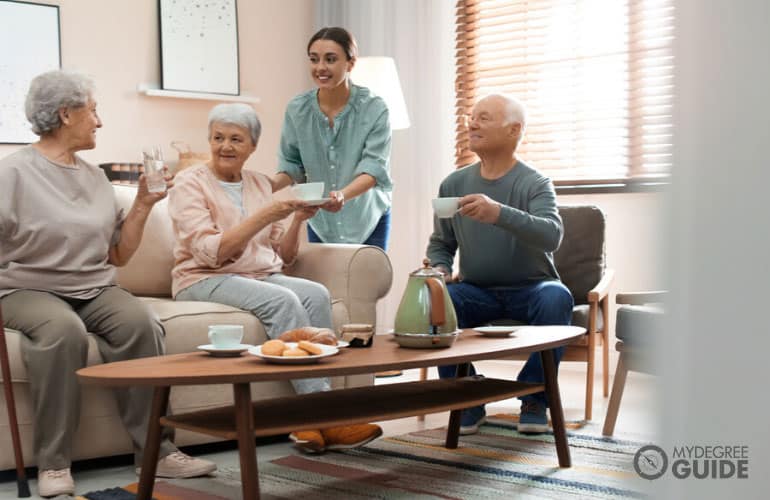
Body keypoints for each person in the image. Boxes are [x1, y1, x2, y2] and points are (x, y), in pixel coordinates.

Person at [0, 70, 216, 498]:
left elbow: (118, 255)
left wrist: (142, 204)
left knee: (142, 323)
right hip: (26, 289)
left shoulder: (94, 177)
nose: (99, 121)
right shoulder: (14, 174)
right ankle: (55, 463)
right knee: (63, 332)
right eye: (93, 110)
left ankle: (156, 452)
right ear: (66, 114)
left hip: (93, 286)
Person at [168, 102, 383, 453]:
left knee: (314, 293)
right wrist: (268, 213)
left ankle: (315, 422)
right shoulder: (189, 183)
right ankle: (321, 417)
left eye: (236, 139)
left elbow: (282, 257)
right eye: (218, 137)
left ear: (253, 146)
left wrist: (298, 218)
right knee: (282, 300)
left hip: (257, 274)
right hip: (202, 278)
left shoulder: (258, 184)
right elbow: (211, 253)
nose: (226, 146)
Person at [426, 94, 574, 435]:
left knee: (558, 297)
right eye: (472, 117)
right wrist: (440, 267)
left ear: (514, 130)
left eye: (484, 118)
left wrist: (500, 214)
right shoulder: (454, 184)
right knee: (435, 299)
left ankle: (535, 397)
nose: (472, 124)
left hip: (531, 288)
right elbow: (441, 243)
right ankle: (467, 398)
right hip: (477, 289)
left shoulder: (535, 182)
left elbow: (552, 235)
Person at [271, 27, 393, 250]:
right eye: (314, 59)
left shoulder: (375, 109)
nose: (320, 68)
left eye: (330, 59)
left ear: (350, 63)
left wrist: (342, 195)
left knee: (368, 285)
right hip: (322, 222)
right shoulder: (297, 110)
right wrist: (265, 186)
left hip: (366, 217)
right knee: (325, 284)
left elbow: (374, 169)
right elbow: (291, 165)